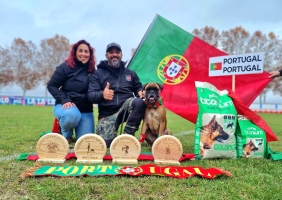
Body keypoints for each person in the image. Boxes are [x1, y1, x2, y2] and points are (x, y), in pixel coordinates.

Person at [87, 42, 145, 147]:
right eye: (111, 52)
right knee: (105, 144)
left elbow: (138, 87)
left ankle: (127, 136)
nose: (114, 54)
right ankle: (111, 134)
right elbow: (90, 95)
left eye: (117, 52)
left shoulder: (130, 73)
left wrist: (140, 91)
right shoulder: (98, 73)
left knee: (139, 102)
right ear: (106, 55)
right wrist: (102, 94)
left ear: (121, 55)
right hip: (107, 113)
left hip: (126, 108)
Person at [47, 39, 96, 144]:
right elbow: (51, 86)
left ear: (90, 54)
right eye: (80, 51)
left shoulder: (93, 71)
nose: (83, 54)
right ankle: (66, 132)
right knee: (72, 115)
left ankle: (76, 128)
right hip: (66, 107)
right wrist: (64, 99)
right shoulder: (64, 67)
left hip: (85, 110)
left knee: (85, 141)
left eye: (86, 51)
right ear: (75, 52)